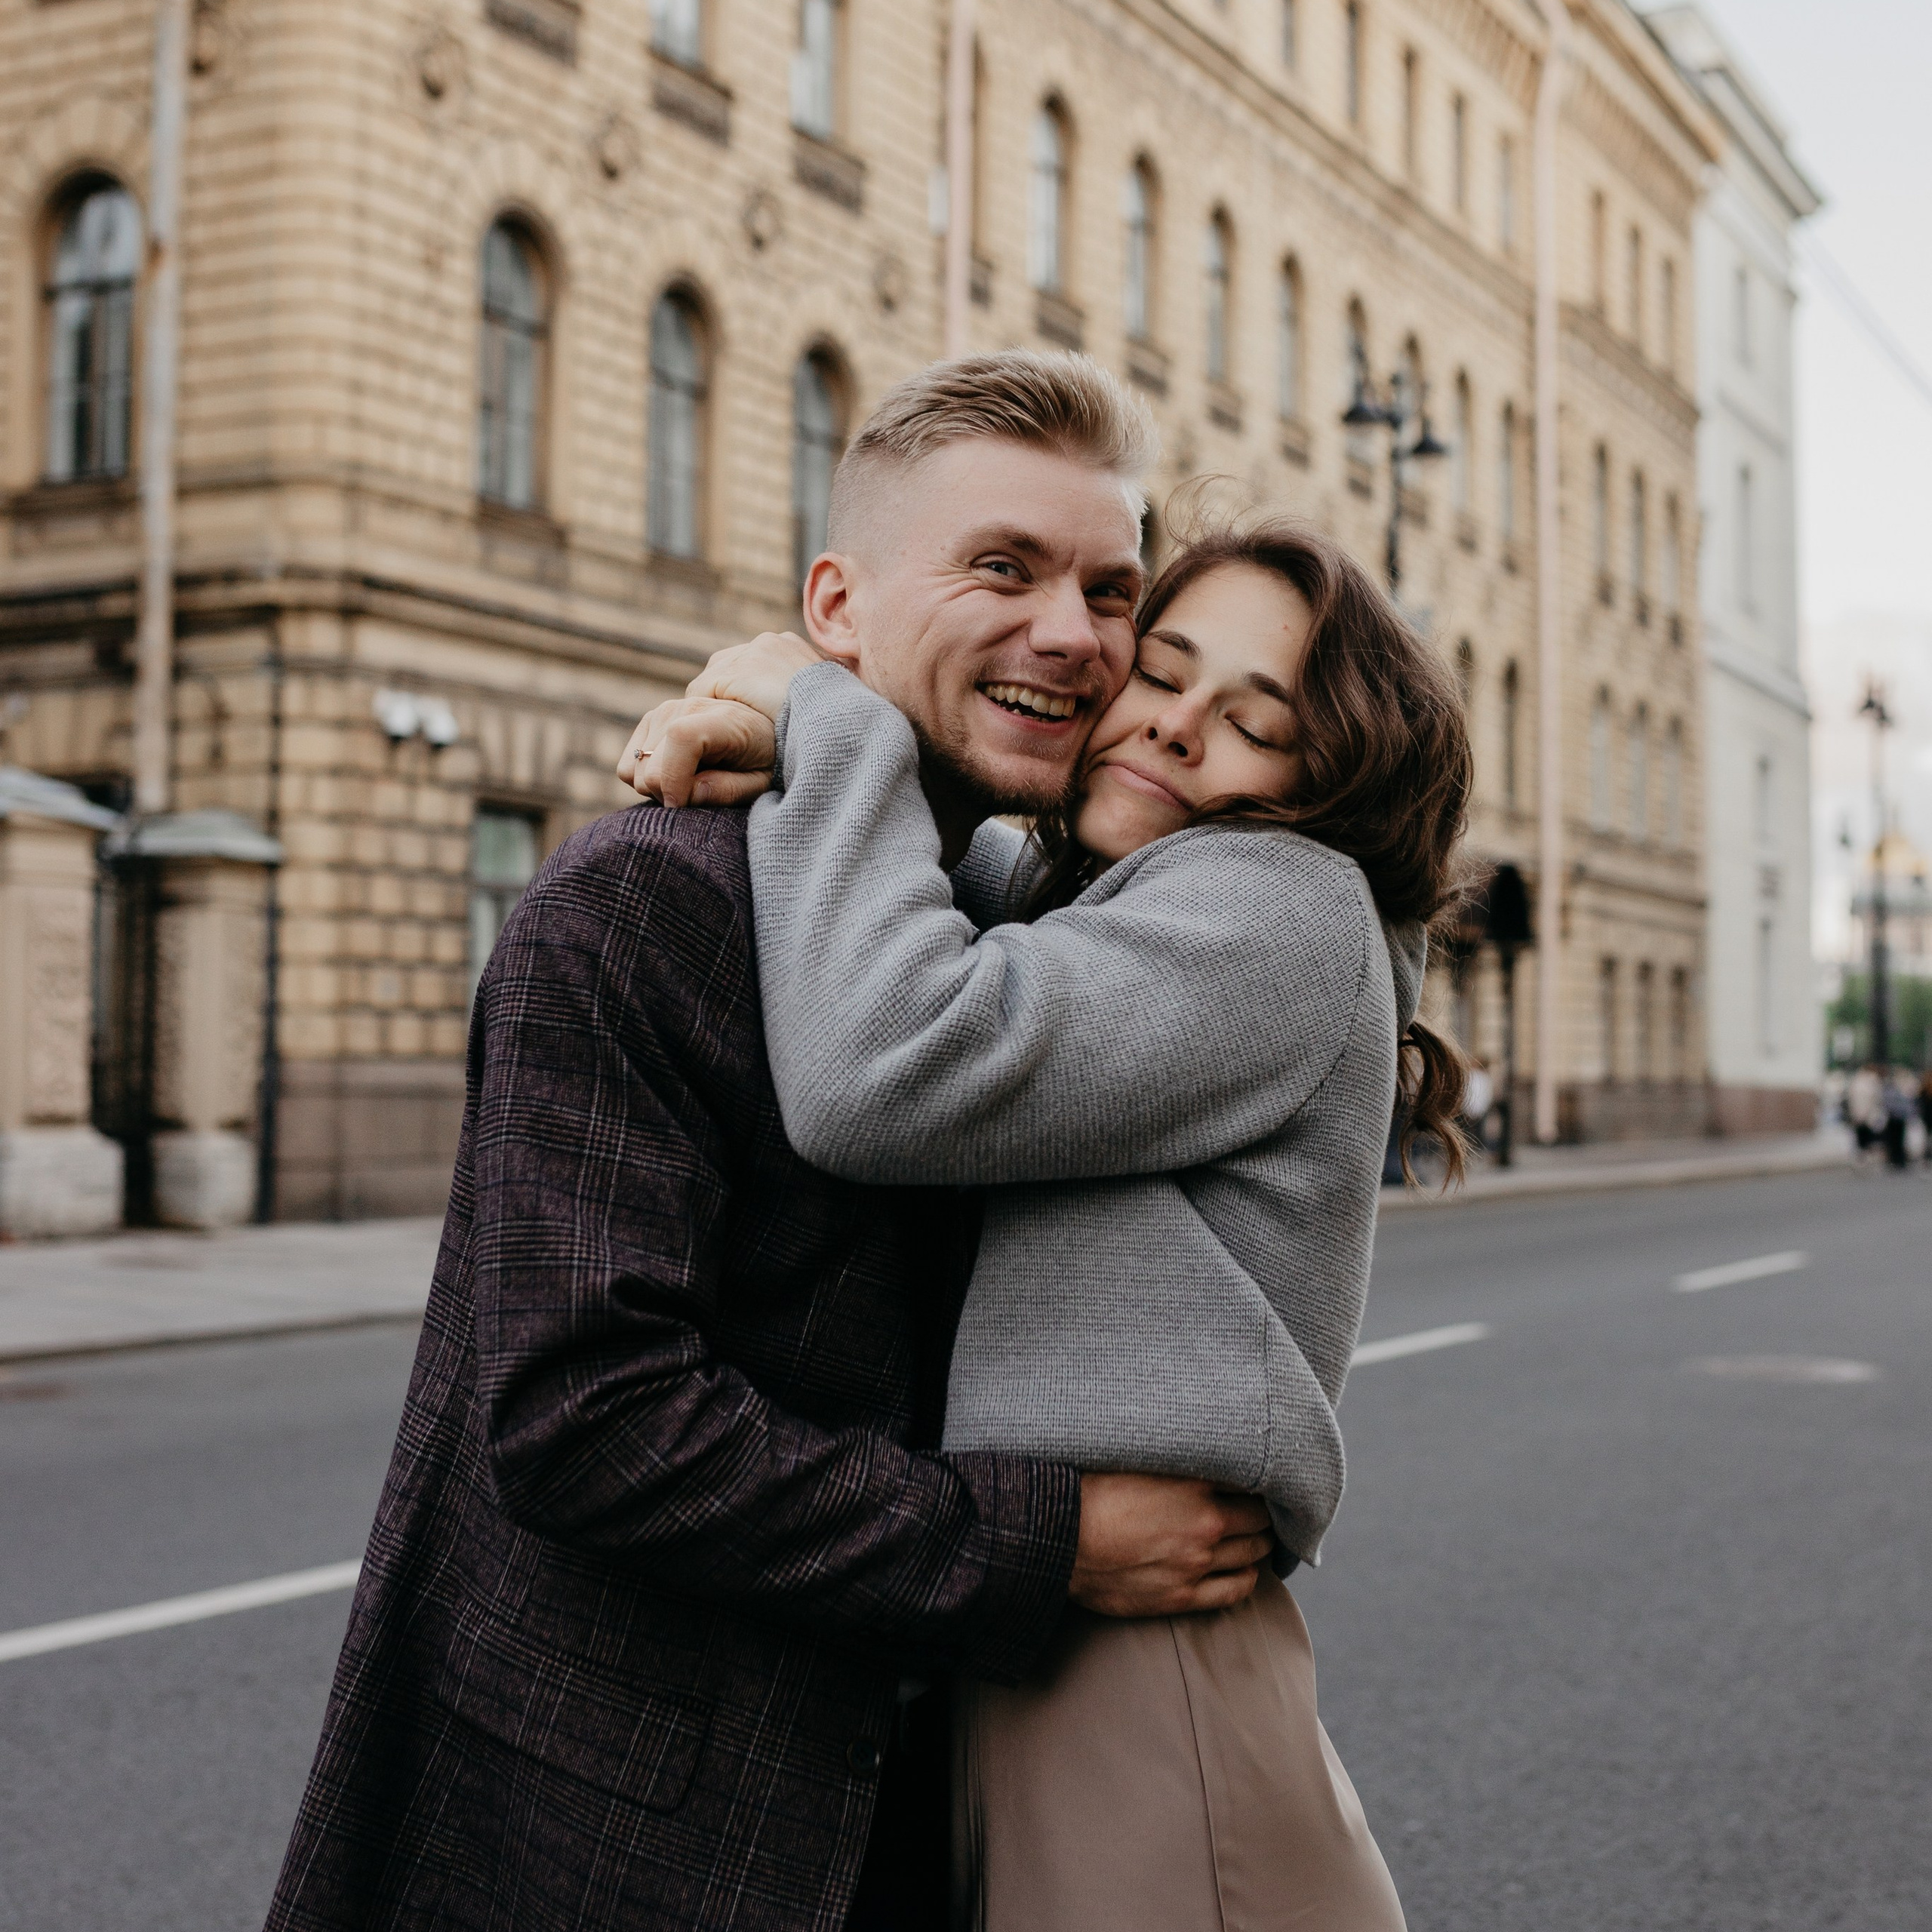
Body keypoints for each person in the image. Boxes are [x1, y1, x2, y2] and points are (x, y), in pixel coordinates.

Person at [263, 352, 1275, 1932]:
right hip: (615, 1845)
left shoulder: (1014, 926)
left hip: (907, 1814)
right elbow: (587, 1415)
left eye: (1107, 585)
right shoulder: (641, 905)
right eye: (998, 567)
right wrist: (1040, 1541)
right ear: (836, 606)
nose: (1072, 633)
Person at [623, 516, 1471, 1931]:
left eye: (1256, 722)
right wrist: (779, 735)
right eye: (1167, 672)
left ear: (1328, 787)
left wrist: (824, 716)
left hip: (1138, 1671)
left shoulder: (1284, 908)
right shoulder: (1105, 899)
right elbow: (892, 922)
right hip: (1027, 1623)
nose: (1182, 729)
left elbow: (882, 1064)